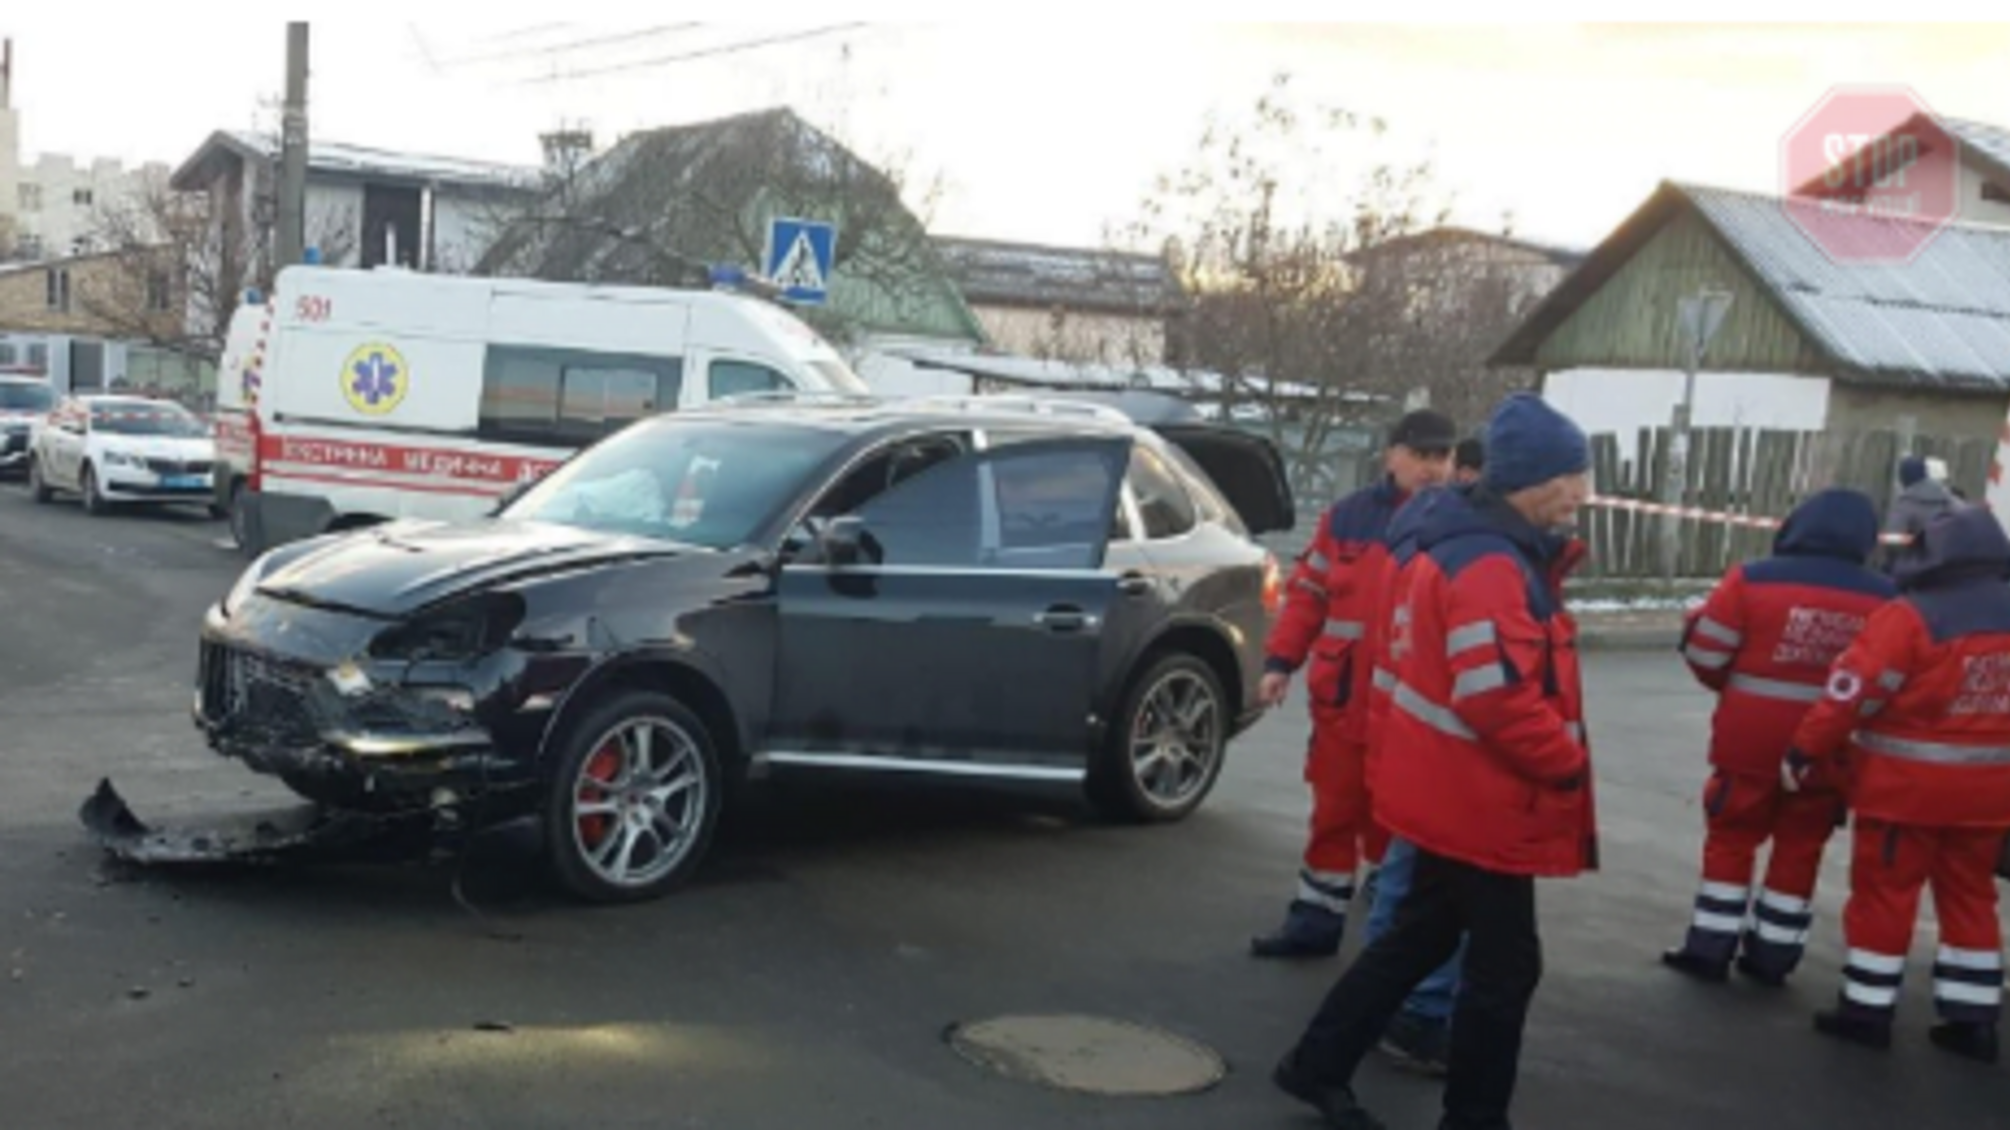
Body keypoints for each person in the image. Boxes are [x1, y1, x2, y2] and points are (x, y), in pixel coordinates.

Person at [1274, 393, 1595, 1130]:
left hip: (1452, 790)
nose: (1582, 495)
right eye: (1574, 477)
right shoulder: (1488, 564)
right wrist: (1565, 761)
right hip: (1480, 798)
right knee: (1506, 968)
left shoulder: (1473, 546)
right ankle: (1474, 1116)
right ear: (1535, 480)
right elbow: (1496, 696)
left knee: (1421, 936)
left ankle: (1317, 1065)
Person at [1786, 507, 2010, 1064]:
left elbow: (1851, 692)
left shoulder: (1911, 617)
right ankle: (1973, 1019)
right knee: (1971, 896)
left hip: (1905, 792)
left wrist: (1805, 748)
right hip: (1990, 795)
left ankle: (1866, 1009)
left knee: (1886, 894)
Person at [1660, 489, 1895, 987]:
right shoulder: (1886, 598)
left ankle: (1709, 947)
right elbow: (1885, 686)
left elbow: (1706, 653)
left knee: (1730, 839)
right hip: (1829, 751)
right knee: (1801, 846)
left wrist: (1737, 691)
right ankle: (1773, 955)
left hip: (1747, 743)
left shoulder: (1750, 580)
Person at [1251, 409, 1459, 959]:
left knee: (1401, 827)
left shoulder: (1462, 525)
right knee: (1334, 815)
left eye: (1442, 456)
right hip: (1343, 705)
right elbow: (1309, 595)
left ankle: (1391, 950)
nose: (1432, 468)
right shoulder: (1346, 518)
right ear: (1392, 454)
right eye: (1421, 455)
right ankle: (1314, 925)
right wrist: (1280, 663)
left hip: (1412, 715)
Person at [1354, 442, 1488, 1075]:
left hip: (1410, 746)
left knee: (1403, 881)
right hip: (1444, 762)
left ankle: (1381, 1004)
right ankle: (1410, 1012)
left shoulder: (1412, 551)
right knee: (1422, 889)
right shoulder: (1458, 564)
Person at [1882, 455, 1960, 573]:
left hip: (1912, 569)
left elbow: (1893, 539)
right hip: (1948, 566)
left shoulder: (1906, 503)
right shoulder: (1950, 499)